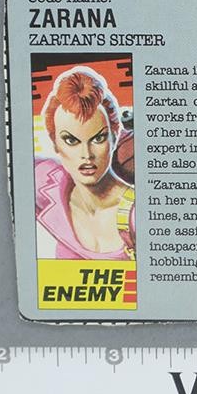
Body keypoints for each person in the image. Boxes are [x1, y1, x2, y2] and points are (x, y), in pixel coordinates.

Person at [35, 66, 136, 260]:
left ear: (114, 137)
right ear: (55, 143)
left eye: (98, 138)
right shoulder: (45, 182)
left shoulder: (137, 214)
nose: (86, 155)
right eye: (71, 140)